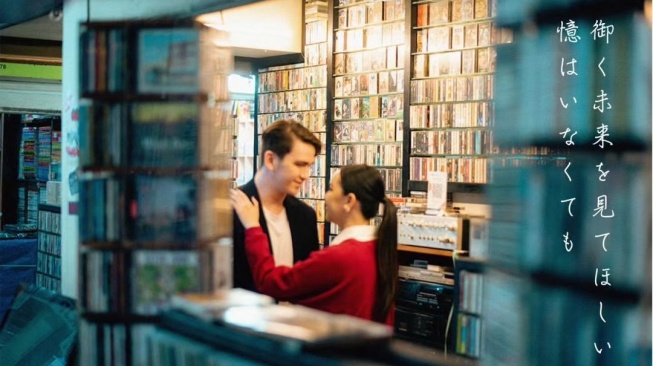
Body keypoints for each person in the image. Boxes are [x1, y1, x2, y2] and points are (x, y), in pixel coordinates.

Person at [230, 164, 398, 324]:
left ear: (349, 201)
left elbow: (270, 283)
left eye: (331, 189)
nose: (326, 195)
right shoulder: (380, 248)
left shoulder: (341, 256)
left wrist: (253, 227)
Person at [232, 119, 322, 292]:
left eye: (309, 166)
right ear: (271, 160)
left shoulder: (305, 216)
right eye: (299, 164)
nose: (306, 175)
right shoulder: (231, 210)